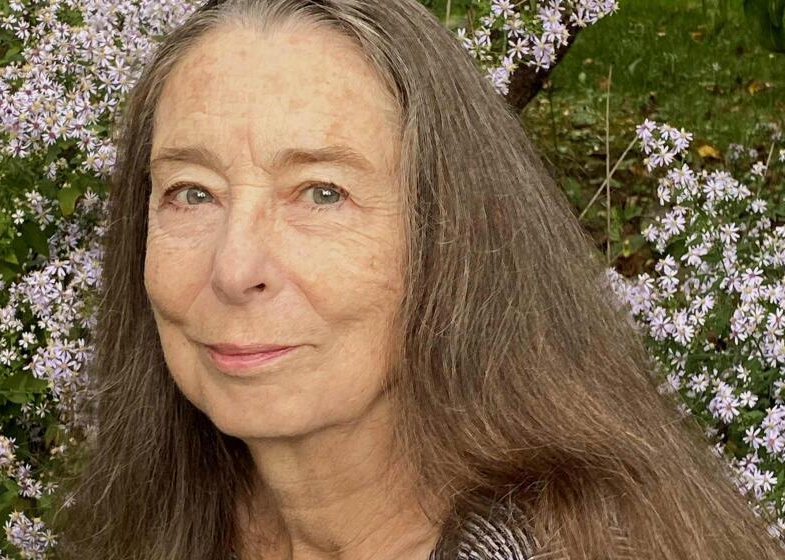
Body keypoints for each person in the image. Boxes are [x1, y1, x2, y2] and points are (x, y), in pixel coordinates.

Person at [51, 1, 785, 559]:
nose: (235, 269)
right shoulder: (147, 521)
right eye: (193, 192)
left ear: (454, 237)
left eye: (321, 192)